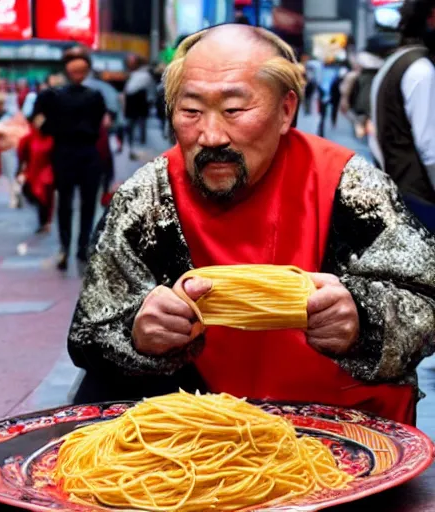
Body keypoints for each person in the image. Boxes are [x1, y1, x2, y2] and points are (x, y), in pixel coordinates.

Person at [68, 24, 435, 426]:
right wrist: (136, 335)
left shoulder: (348, 186)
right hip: (198, 433)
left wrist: (362, 319)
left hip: (341, 426)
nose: (210, 136)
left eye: (234, 111)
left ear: (286, 111)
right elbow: (89, 332)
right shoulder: (146, 199)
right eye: (190, 111)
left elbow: (425, 297)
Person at [38, 46, 108, 271]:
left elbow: (41, 124)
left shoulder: (52, 96)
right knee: (86, 204)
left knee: (65, 203)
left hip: (64, 153)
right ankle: (81, 247)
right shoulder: (95, 96)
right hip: (87, 153)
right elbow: (101, 125)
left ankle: (66, 247)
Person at [370, 0, 435, 232]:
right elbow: (431, 150)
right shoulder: (422, 69)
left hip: (401, 188)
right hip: (422, 198)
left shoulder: (395, 62)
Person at [123, 54, 155, 160]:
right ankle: (137, 145)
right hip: (138, 104)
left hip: (137, 104)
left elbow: (129, 90)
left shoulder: (142, 75)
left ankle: (137, 146)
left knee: (136, 125)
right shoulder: (140, 74)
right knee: (138, 125)